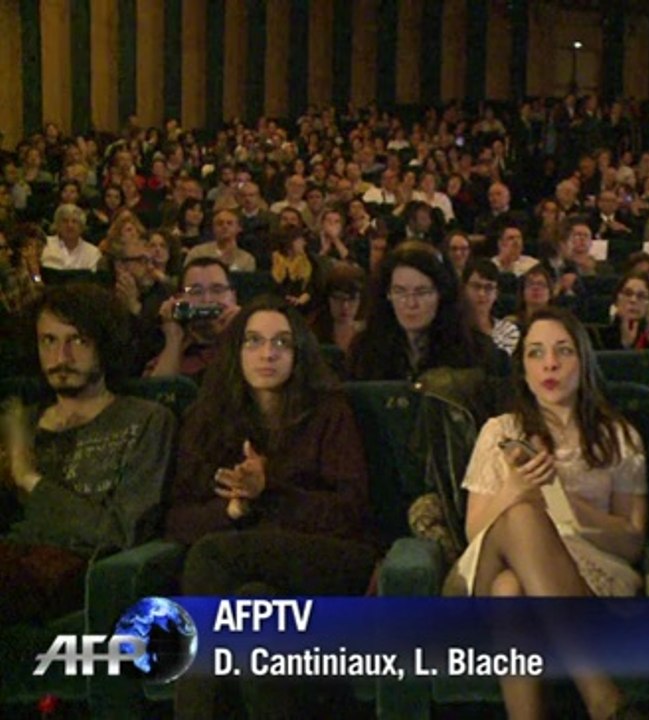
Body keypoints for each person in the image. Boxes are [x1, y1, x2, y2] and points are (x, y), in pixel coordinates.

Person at [167, 296, 377, 719]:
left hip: (328, 561)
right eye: (255, 342)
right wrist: (232, 511)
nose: (268, 353)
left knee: (211, 555)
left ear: (298, 354)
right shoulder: (207, 418)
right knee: (253, 605)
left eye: (281, 343)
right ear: (235, 352)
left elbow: (350, 514)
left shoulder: (329, 411)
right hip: (246, 572)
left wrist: (270, 489)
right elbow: (175, 520)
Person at [443, 307, 649, 720]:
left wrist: (563, 502)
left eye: (563, 351)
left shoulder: (620, 436)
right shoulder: (500, 430)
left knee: (511, 589)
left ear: (583, 360)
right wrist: (518, 491)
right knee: (520, 516)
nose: (550, 364)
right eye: (535, 353)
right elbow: (474, 532)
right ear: (522, 368)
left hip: (583, 571)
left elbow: (631, 541)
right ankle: (602, 697)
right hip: (485, 567)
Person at [1, 283, 175, 625]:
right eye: (48, 341)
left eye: (78, 341)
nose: (61, 358)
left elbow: (121, 533)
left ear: (104, 344)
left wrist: (29, 478)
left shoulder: (146, 419)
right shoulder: (23, 421)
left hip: (74, 570)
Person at [349, 242, 502, 380]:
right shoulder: (364, 350)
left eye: (422, 292)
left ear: (442, 294)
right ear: (387, 294)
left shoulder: (477, 352)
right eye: (399, 291)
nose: (411, 303)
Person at [147, 258, 241, 381]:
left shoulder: (250, 338)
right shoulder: (165, 342)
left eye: (217, 290)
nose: (207, 300)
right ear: (180, 299)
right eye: (196, 292)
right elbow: (157, 393)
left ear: (233, 297)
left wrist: (237, 334)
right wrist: (173, 339)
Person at [463, 259, 521, 356]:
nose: (481, 293)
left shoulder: (508, 330)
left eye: (488, 288)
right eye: (476, 286)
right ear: (464, 289)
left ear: (496, 293)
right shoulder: (452, 329)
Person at [309, 261, 366, 355]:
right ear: (328, 299)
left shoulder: (367, 335)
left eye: (352, 299)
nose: (345, 306)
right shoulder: (313, 333)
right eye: (338, 298)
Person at [186, 209, 257, 272]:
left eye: (229, 223)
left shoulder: (247, 259)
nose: (225, 226)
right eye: (220, 223)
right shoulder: (198, 253)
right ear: (213, 228)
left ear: (239, 228)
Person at [40, 203, 102, 271]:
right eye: (65, 221)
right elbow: (35, 276)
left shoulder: (93, 252)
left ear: (82, 227)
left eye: (74, 221)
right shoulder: (44, 244)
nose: (70, 225)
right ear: (57, 225)